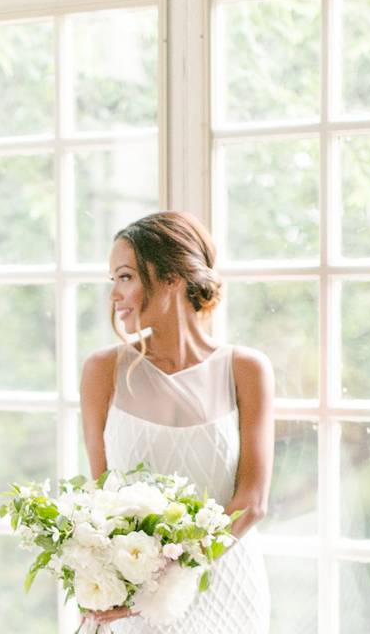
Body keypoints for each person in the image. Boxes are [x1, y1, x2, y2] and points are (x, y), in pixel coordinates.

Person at [79, 210, 274, 633]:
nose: (114, 294)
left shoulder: (246, 370)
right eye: (113, 279)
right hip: (134, 598)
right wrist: (115, 584)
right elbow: (101, 499)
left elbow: (251, 503)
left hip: (226, 586)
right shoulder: (102, 371)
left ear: (171, 277)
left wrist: (166, 579)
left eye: (126, 276)